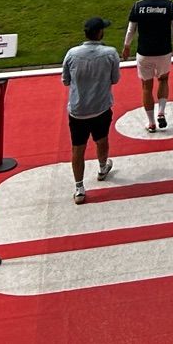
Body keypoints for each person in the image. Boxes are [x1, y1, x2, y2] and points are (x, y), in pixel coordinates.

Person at [60, 17, 121, 204]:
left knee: (77, 148)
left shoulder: (72, 53)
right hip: (101, 107)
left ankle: (79, 187)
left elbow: (66, 80)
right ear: (100, 33)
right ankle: (102, 168)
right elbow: (115, 79)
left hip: (78, 110)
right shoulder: (110, 53)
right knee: (101, 140)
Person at [121, 0, 173, 132]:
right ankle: (161, 112)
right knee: (163, 80)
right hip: (163, 51)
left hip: (144, 52)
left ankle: (151, 123)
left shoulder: (138, 6)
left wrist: (126, 46)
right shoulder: (170, 5)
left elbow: (130, 30)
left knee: (146, 87)